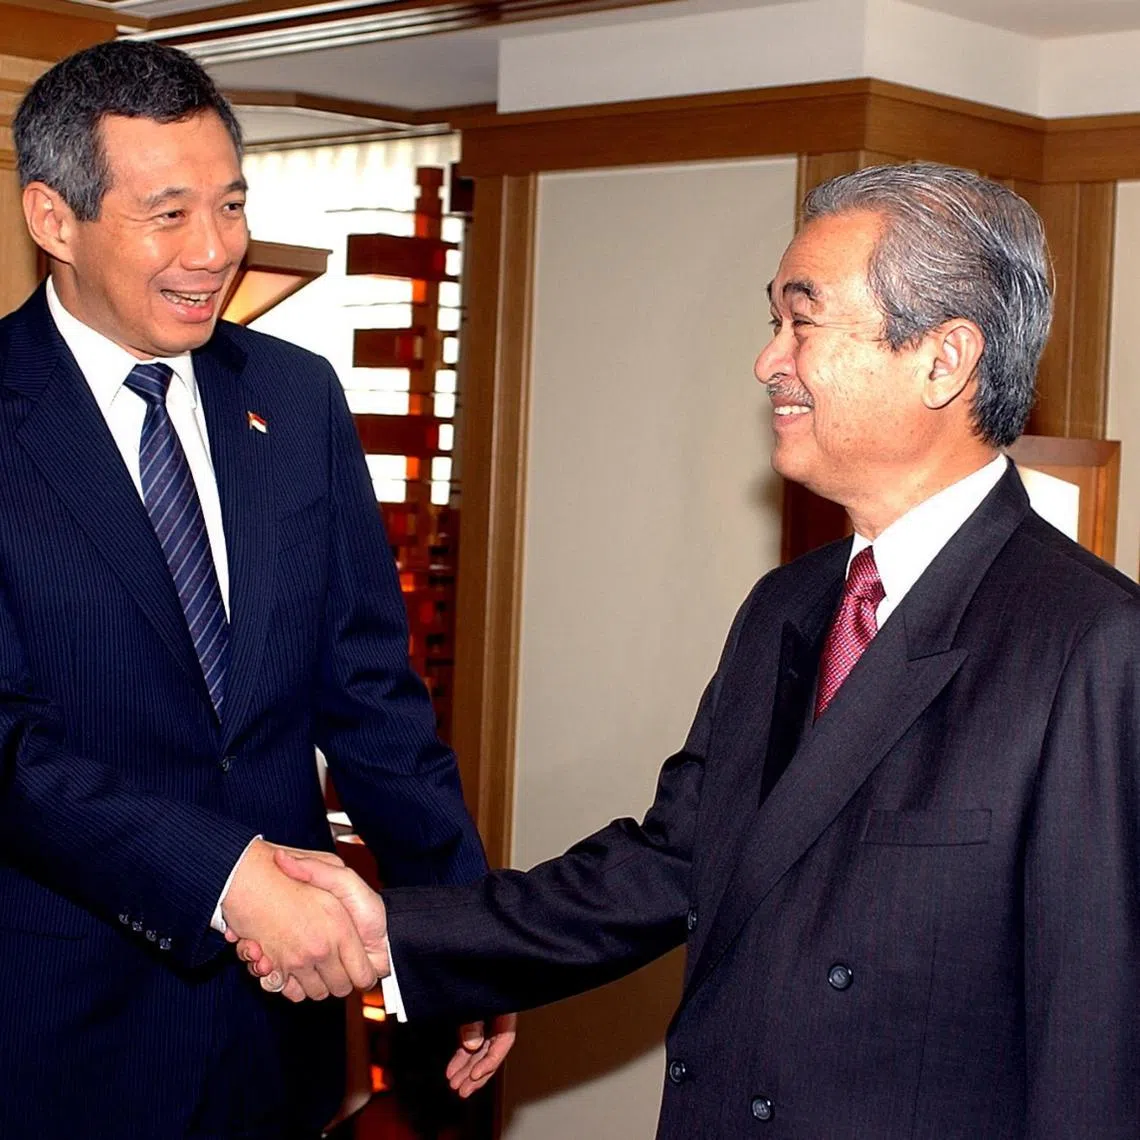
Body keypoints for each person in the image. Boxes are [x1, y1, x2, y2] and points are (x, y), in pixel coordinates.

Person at [244, 163, 1140, 1137]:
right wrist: (387, 930)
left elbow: (1095, 1051)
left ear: (943, 359)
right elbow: (672, 864)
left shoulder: (1089, 648)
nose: (767, 362)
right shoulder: (788, 609)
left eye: (803, 322)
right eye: (774, 321)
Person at [1, 40, 512, 1140]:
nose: (216, 250)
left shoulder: (296, 395)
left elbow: (371, 694)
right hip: (54, 1034)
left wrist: (458, 938)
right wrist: (228, 880)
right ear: (53, 217)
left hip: (277, 1039)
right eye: (168, 214)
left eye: (230, 204)